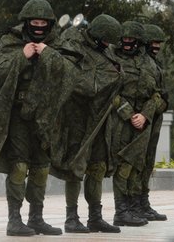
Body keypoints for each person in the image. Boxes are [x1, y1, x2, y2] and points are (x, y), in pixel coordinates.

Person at [0, 0, 79, 237]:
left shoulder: (57, 44)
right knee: (19, 166)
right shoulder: (10, 41)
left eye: (43, 23)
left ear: (49, 24)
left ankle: (37, 217)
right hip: (18, 114)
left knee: (41, 168)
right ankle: (14, 219)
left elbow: (72, 75)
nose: (39, 26)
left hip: (46, 116)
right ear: (27, 22)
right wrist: (22, 56)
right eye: (34, 22)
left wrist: (48, 54)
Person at [52, 14, 123, 234]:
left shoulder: (106, 51)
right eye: (105, 40)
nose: (107, 44)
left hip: (101, 117)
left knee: (98, 165)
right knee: (76, 165)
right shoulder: (73, 45)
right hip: (78, 116)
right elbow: (74, 79)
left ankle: (95, 217)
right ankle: (71, 217)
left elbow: (115, 74)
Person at [105, 21, 163, 227]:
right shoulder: (111, 57)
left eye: (132, 39)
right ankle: (121, 211)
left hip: (143, 121)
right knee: (124, 165)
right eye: (124, 39)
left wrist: (145, 115)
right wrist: (130, 114)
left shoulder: (148, 62)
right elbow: (110, 91)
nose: (127, 42)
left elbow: (157, 92)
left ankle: (134, 207)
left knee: (137, 165)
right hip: (121, 120)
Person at [138, 23, 168, 221]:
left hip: (154, 118)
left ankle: (143, 202)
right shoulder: (142, 62)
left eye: (159, 43)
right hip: (143, 117)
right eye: (153, 42)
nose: (156, 46)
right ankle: (134, 204)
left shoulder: (155, 62)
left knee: (148, 163)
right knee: (138, 164)